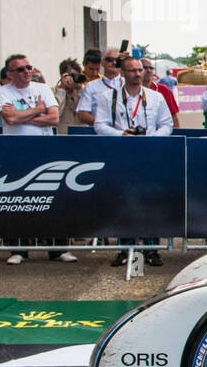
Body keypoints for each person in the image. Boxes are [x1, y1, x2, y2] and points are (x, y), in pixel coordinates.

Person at [0, 55, 77, 264]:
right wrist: (39, 110)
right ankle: (19, 250)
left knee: (52, 198)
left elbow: (54, 118)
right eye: (20, 69)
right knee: (16, 200)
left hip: (44, 149)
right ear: (10, 74)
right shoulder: (3, 92)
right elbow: (10, 119)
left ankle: (58, 249)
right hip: (16, 151)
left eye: (28, 67)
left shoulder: (42, 89)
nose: (26, 72)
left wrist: (26, 115)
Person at [96, 55, 175, 266]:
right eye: (132, 70)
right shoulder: (108, 97)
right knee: (123, 201)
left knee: (150, 200)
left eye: (140, 70)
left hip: (150, 156)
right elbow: (100, 125)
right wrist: (122, 134)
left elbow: (167, 125)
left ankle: (151, 249)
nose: (138, 74)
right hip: (121, 156)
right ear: (122, 73)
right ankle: (125, 248)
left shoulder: (155, 97)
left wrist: (151, 139)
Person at [76, 48, 123, 125]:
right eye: (109, 59)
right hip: (99, 133)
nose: (114, 62)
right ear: (102, 63)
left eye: (117, 60)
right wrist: (104, 125)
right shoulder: (91, 86)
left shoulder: (128, 84)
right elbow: (82, 114)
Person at [142, 58, 180, 125]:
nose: (148, 70)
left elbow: (174, 116)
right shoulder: (131, 90)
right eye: (144, 67)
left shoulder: (164, 89)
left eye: (151, 68)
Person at [53, 58, 86, 134]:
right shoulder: (52, 92)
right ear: (63, 76)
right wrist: (62, 89)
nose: (74, 78)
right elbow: (56, 113)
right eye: (72, 75)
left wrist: (80, 89)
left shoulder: (83, 91)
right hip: (62, 137)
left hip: (81, 137)